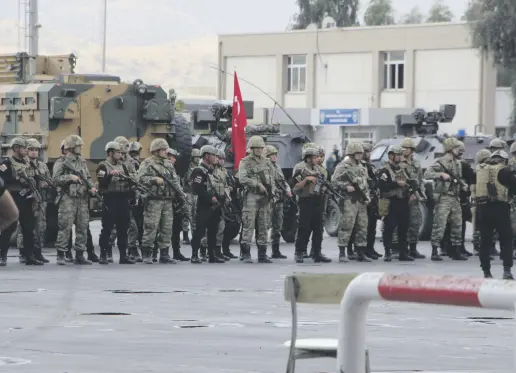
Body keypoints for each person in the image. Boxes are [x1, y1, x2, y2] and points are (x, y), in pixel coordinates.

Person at [137, 138, 184, 264]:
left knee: (167, 227)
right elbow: (140, 179)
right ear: (156, 150)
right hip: (153, 200)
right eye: (163, 149)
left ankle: (164, 254)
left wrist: (181, 194)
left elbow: (175, 181)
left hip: (167, 200)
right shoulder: (148, 163)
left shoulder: (168, 164)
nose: (165, 151)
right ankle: (147, 253)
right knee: (151, 227)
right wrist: (153, 180)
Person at [53, 135, 96, 265]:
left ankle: (80, 255)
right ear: (71, 147)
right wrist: (69, 177)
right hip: (67, 198)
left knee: (82, 227)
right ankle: (61, 254)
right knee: (65, 227)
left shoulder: (81, 161)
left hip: (82, 199)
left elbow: (87, 177)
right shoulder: (62, 162)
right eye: (78, 146)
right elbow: (55, 179)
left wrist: (91, 187)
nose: (81, 148)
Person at [0, 138, 41, 266]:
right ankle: (2, 256)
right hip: (13, 198)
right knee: (9, 228)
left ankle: (29, 256)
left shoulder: (28, 163)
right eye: (24, 148)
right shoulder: (6, 164)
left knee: (29, 228)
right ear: (16, 148)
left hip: (27, 199)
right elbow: (3, 183)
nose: (26, 150)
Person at [424, 137, 467, 261]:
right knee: (440, 224)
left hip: (455, 197)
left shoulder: (457, 163)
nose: (458, 150)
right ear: (450, 148)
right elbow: (427, 174)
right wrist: (440, 175)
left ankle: (456, 250)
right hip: (443, 197)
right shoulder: (441, 162)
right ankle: (435, 250)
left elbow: (457, 178)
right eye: (456, 148)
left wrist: (462, 185)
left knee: (457, 224)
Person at [475, 150, 514, 279]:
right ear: (504, 160)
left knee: (485, 241)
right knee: (506, 240)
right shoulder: (505, 170)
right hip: (500, 208)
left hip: (482, 208)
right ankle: (507, 271)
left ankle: (486, 272)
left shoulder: (480, 169)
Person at [237, 136, 277, 263]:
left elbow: (272, 178)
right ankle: (246, 253)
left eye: (261, 148)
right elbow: (242, 178)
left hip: (265, 197)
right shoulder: (245, 162)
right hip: (251, 196)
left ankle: (262, 254)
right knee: (249, 224)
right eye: (257, 148)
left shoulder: (267, 162)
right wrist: (257, 184)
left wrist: (273, 191)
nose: (259, 150)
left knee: (263, 224)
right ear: (252, 148)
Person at [331, 142, 371, 262]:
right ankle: (342, 252)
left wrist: (367, 196)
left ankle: (361, 252)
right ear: (352, 154)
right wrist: (345, 186)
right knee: (346, 225)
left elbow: (365, 183)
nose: (360, 155)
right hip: (349, 200)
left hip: (361, 200)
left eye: (360, 153)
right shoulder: (343, 166)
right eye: (357, 153)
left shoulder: (362, 166)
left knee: (362, 226)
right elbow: (334, 181)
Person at [96, 141, 135, 264]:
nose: (120, 155)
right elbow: (101, 183)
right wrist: (110, 175)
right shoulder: (103, 166)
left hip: (122, 198)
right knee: (107, 228)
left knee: (123, 228)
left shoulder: (123, 166)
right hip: (110, 198)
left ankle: (123, 255)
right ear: (110, 153)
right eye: (117, 152)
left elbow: (131, 181)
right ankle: (103, 254)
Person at [292, 146, 331, 263]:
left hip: (318, 200)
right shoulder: (300, 168)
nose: (317, 159)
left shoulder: (318, 169)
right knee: (304, 227)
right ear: (308, 158)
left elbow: (322, 183)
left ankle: (316, 252)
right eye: (314, 157)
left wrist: (324, 187)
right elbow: (295, 187)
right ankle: (299, 252)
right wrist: (307, 179)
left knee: (318, 228)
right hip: (305, 201)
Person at [189, 145, 224, 264]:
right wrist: (211, 197)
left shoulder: (211, 171)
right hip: (203, 205)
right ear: (206, 155)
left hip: (214, 206)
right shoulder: (199, 171)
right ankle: (194, 254)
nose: (215, 157)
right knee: (199, 230)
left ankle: (212, 254)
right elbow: (197, 188)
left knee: (213, 231)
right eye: (213, 155)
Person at [378, 145, 413, 262]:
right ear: (391, 156)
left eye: (400, 155)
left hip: (403, 201)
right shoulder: (385, 170)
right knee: (389, 228)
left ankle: (403, 252)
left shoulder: (402, 169)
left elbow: (408, 182)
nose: (399, 157)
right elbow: (382, 186)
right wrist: (397, 184)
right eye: (397, 155)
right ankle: (388, 252)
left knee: (403, 228)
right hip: (391, 202)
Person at [264, 145, 291, 259]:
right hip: (270, 200)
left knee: (278, 226)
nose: (275, 157)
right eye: (272, 155)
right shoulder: (266, 168)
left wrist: (288, 190)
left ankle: (275, 251)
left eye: (275, 154)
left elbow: (283, 181)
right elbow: (269, 183)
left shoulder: (278, 167)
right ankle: (263, 251)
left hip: (279, 200)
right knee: (265, 226)